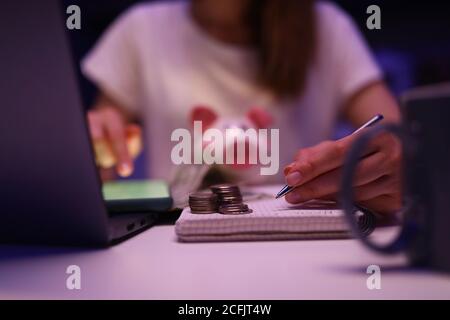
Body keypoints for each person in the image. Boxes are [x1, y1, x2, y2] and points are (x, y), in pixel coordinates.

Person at [82, 0, 402, 214]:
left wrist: (394, 163)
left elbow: (398, 138)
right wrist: (93, 152)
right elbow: (100, 161)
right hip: (172, 251)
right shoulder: (140, 29)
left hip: (300, 247)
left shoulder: (328, 28)